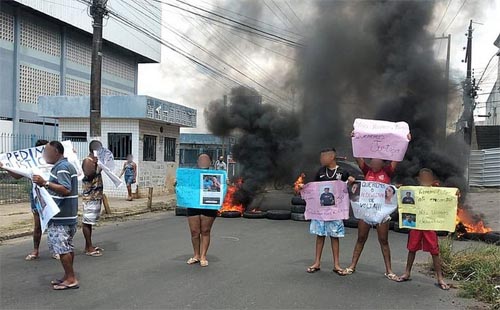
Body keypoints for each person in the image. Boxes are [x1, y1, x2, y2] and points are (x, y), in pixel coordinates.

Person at [341, 132, 411, 280]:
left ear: (382, 163)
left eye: (377, 161)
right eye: (372, 160)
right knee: (361, 238)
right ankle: (352, 265)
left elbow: (397, 156)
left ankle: (389, 270)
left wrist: (405, 141)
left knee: (384, 240)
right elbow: (358, 156)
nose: (373, 163)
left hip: (382, 212)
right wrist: (354, 138)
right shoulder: (366, 170)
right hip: (366, 211)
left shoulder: (387, 171)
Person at [0, 139, 59, 261]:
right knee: (38, 225)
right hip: (37, 196)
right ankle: (36, 250)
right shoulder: (31, 164)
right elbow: (17, 175)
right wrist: (5, 166)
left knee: (55, 223)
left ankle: (56, 249)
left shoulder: (54, 161)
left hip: (53, 194)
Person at [32, 141, 79, 290]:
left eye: (47, 151)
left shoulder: (62, 167)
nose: (44, 155)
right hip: (67, 216)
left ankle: (71, 278)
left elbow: (65, 189)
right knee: (67, 247)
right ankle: (67, 276)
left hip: (61, 217)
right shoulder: (63, 166)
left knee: (62, 249)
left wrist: (45, 183)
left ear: (56, 152)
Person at [398, 168, 450, 290]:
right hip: (416, 224)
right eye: (423, 177)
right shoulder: (414, 191)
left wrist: (455, 194)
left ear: (432, 180)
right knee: (412, 248)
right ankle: (407, 272)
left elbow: (448, 199)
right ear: (418, 179)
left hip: (429, 225)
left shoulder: (436, 192)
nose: (425, 180)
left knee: (434, 251)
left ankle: (440, 277)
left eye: (428, 178)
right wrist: (399, 190)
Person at [306, 148, 355, 274]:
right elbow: (313, 188)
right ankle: (317, 262)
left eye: (323, 157)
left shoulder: (342, 172)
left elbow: (349, 187)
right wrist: (303, 188)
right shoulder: (320, 172)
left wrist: (351, 181)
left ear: (332, 157)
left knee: (334, 236)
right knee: (320, 235)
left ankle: (336, 264)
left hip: (335, 211)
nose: (321, 160)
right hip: (321, 211)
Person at [186, 154, 218, 267]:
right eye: (201, 159)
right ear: (198, 162)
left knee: (205, 231)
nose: (203, 161)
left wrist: (224, 183)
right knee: (194, 232)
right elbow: (183, 189)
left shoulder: (215, 175)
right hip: (193, 205)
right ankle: (196, 255)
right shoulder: (190, 175)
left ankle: (203, 256)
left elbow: (220, 189)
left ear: (210, 162)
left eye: (206, 159)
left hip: (209, 205)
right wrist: (178, 183)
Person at [81, 156, 103, 257]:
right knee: (86, 223)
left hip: (95, 198)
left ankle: (88, 246)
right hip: (90, 199)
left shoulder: (95, 166)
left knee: (89, 223)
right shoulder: (88, 166)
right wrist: (97, 166)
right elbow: (90, 174)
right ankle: (89, 248)